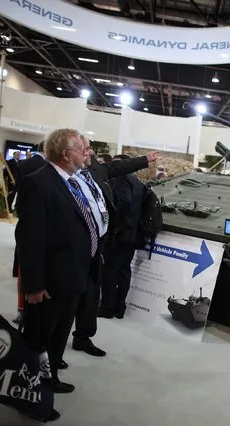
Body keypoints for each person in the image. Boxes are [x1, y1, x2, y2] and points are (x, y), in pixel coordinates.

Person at [16, 128, 92, 421]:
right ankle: (29, 399)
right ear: (65, 154)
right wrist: (33, 286)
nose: (83, 153)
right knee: (38, 342)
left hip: (72, 277)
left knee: (57, 340)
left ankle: (52, 380)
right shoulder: (39, 184)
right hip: (49, 283)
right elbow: (29, 240)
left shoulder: (72, 182)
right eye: (79, 149)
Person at [70, 136, 157, 358]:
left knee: (92, 292)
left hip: (97, 245)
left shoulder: (96, 171)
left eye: (89, 149)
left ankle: (83, 336)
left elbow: (118, 166)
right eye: (84, 149)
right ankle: (52, 351)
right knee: (66, 299)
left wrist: (145, 159)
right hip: (71, 248)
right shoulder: (62, 178)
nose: (89, 153)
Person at [98, 154, 147, 319]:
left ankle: (107, 308)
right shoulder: (137, 182)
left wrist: (117, 226)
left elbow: (124, 202)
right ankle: (120, 308)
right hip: (132, 235)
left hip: (120, 234)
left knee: (109, 271)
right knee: (124, 270)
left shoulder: (120, 179)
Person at [12, 141, 47, 325]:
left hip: (24, 217)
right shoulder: (47, 170)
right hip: (39, 226)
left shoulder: (24, 164)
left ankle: (20, 310)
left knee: (23, 272)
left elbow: (19, 190)